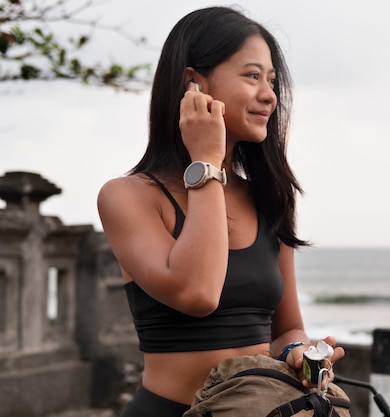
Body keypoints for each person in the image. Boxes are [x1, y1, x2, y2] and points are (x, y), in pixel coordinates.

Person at [97, 6, 345, 417]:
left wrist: (298, 351)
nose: (269, 94)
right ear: (193, 84)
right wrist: (208, 161)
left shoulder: (271, 198)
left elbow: (285, 327)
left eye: (272, 80)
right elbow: (198, 293)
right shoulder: (128, 196)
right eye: (252, 76)